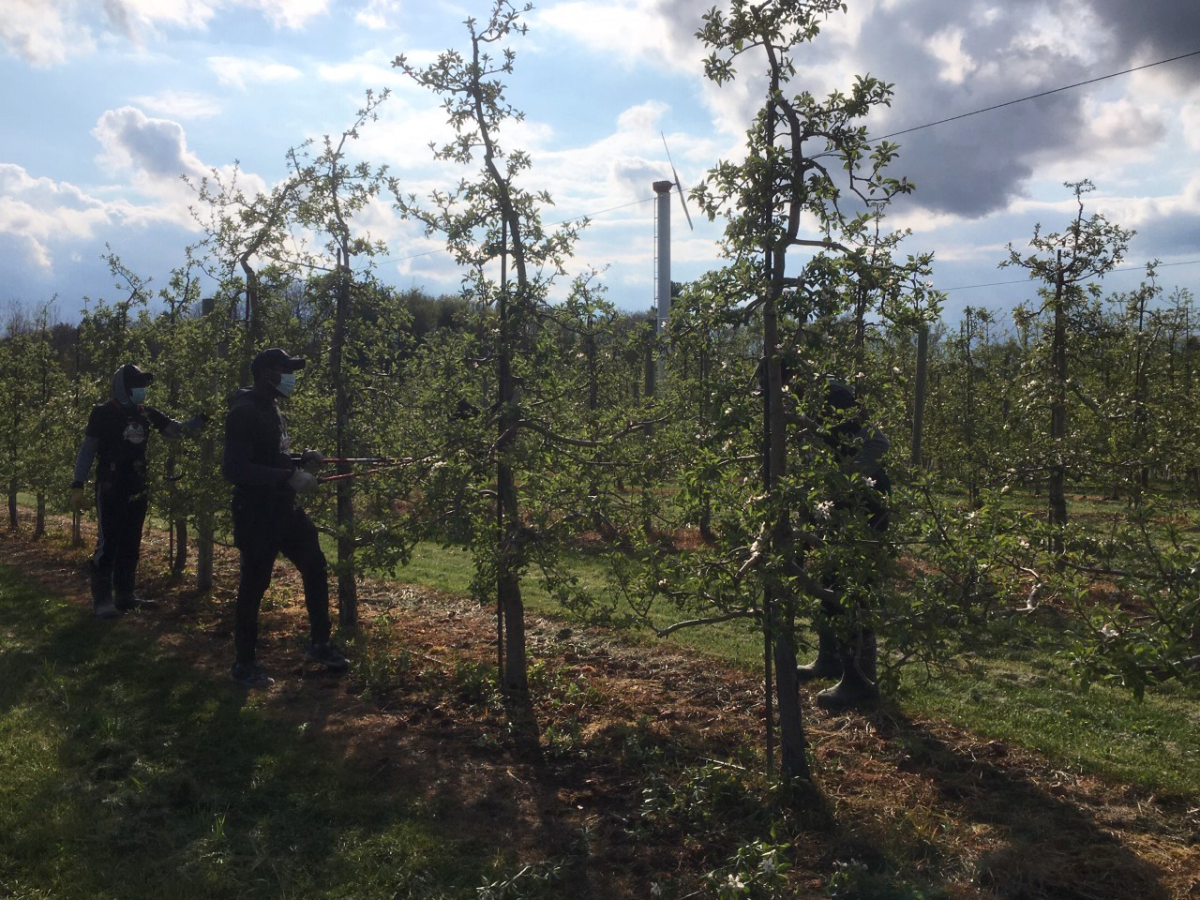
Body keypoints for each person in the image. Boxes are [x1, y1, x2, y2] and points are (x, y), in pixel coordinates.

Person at [222, 347, 348, 689]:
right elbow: (234, 468)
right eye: (285, 369)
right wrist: (288, 477)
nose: (291, 376)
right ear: (266, 374)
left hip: (284, 509)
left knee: (315, 565)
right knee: (254, 585)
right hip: (256, 513)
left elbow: (269, 455)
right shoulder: (244, 412)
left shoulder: (272, 408)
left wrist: (300, 458)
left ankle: (319, 644)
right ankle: (244, 663)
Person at [71, 364, 208, 618]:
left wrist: (204, 418)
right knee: (108, 540)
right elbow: (88, 449)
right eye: (137, 384)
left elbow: (176, 431)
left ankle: (125, 595)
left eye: (144, 385)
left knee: (131, 540)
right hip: (111, 484)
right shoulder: (103, 413)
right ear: (122, 386)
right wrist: (78, 483)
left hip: (137, 484)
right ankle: (102, 599)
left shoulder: (145, 413)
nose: (142, 390)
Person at [794, 379, 891, 710]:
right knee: (826, 580)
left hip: (864, 504)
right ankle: (830, 660)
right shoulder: (799, 407)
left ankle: (861, 680)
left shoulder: (831, 396)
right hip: (831, 503)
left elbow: (878, 444)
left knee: (851, 587)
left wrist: (841, 482)